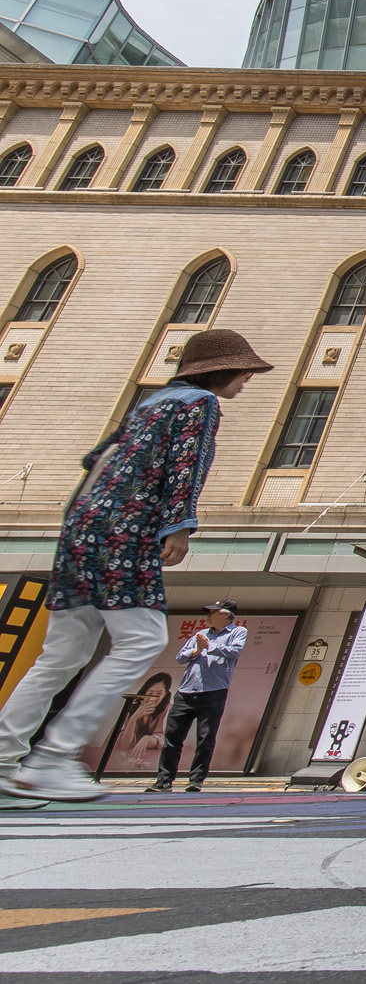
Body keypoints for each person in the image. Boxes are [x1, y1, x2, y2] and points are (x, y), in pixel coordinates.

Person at [0, 329, 269, 803]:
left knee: (59, 657)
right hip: (124, 530)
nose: (249, 377)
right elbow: (186, 465)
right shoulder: (198, 404)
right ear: (219, 369)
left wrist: (81, 526)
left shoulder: (150, 403)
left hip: (80, 530)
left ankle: (4, 758)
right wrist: (178, 526)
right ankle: (54, 758)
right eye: (244, 369)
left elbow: (95, 459)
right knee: (143, 637)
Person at [147, 598, 248, 793]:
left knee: (205, 738)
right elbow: (180, 657)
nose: (208, 615)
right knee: (172, 738)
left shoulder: (237, 632)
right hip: (186, 692)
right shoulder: (200, 634)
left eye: (212, 612)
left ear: (225, 615)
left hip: (214, 692)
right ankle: (164, 780)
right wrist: (197, 649)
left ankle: (196, 780)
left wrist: (209, 647)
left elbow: (234, 651)